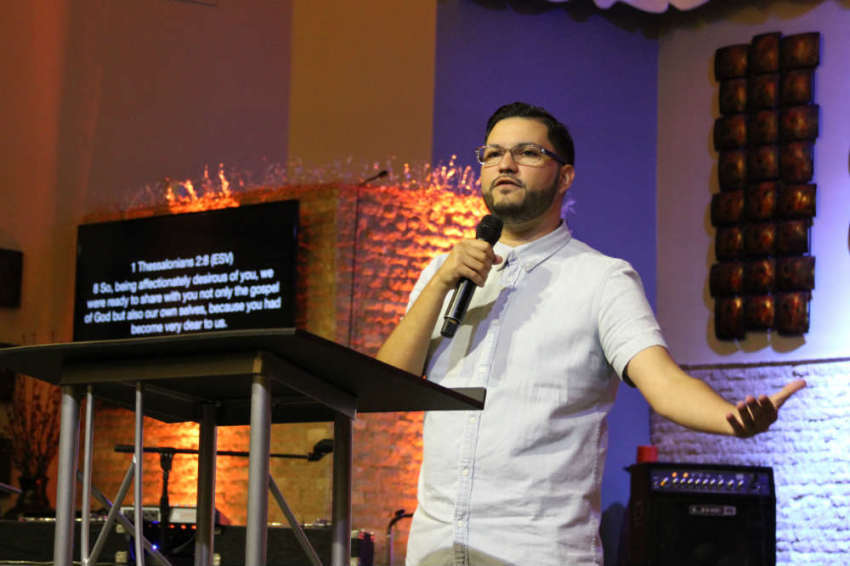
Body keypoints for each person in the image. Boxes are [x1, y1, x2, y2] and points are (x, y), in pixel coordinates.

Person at [375, 102, 805, 566]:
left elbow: (663, 383)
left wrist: (728, 418)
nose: (505, 163)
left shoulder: (601, 280)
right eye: (493, 153)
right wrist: (440, 282)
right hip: (434, 550)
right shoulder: (445, 272)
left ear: (565, 177)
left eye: (527, 152)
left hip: (536, 552)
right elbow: (383, 386)